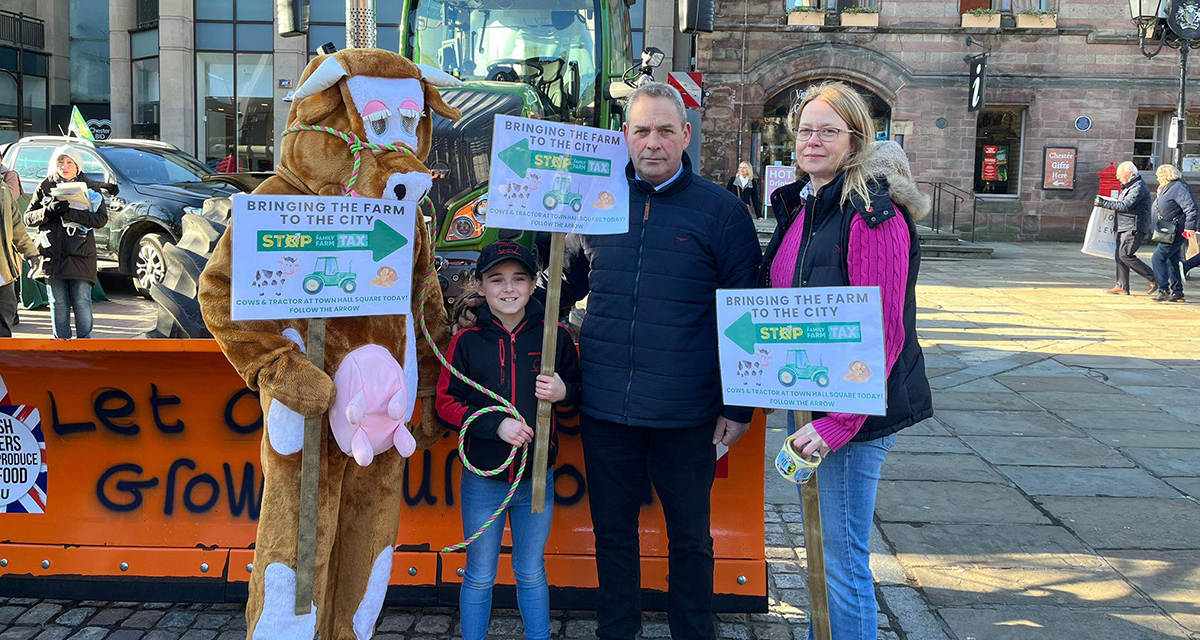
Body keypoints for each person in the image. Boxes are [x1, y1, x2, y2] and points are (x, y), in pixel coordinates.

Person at [455, 83, 762, 639]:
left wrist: (737, 407)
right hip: (607, 409)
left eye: (665, 130)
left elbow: (745, 317)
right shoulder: (596, 205)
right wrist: (496, 305)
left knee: (690, 538)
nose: (652, 142)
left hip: (686, 411)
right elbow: (558, 287)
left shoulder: (722, 213)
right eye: (641, 130)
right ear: (625, 137)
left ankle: (694, 632)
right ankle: (617, 631)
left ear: (685, 135)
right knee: (613, 535)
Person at [761, 82, 932, 640]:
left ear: (855, 139)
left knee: (840, 558)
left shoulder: (871, 214)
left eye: (828, 131)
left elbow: (883, 328)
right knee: (820, 549)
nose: (813, 140)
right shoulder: (805, 206)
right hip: (811, 401)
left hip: (852, 415)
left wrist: (842, 423)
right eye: (806, 130)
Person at [436, 241, 582, 640]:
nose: (508, 288)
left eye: (519, 278)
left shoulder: (555, 337)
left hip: (537, 478)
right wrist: (493, 425)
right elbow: (445, 404)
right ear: (480, 286)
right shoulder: (465, 341)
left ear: (535, 284)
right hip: (483, 480)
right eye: (496, 279)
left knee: (531, 569)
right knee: (480, 573)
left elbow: (579, 396)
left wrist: (563, 392)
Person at [24, 146, 109, 339]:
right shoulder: (45, 186)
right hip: (52, 255)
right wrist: (48, 211)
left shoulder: (91, 188)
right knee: (57, 302)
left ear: (78, 166)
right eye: (60, 162)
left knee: (81, 301)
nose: (64, 166)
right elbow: (28, 218)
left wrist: (69, 212)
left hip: (81, 254)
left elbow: (100, 219)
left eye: (69, 162)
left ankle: (85, 344)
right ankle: (60, 344)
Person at [1095, 161, 1156, 295]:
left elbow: (1125, 206)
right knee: (1119, 256)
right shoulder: (1129, 186)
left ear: (1130, 174)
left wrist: (1103, 203)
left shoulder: (1138, 187)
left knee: (1126, 255)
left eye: (1120, 175)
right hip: (1124, 225)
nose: (1118, 177)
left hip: (1133, 226)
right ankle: (1122, 286)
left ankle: (1154, 277)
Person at [1149, 164, 1198, 303]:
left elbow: (1191, 208)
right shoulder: (1170, 187)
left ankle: (1163, 289)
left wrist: (1190, 227)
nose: (1158, 178)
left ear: (1165, 175)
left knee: (1158, 258)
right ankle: (1177, 291)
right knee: (1172, 261)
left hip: (1175, 231)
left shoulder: (1178, 187)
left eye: (1159, 176)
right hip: (1167, 231)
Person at [0, 176, 38, 336]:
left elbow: (17, 227)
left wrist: (31, 254)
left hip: (3, 271)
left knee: (6, 312)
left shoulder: (3, 190)